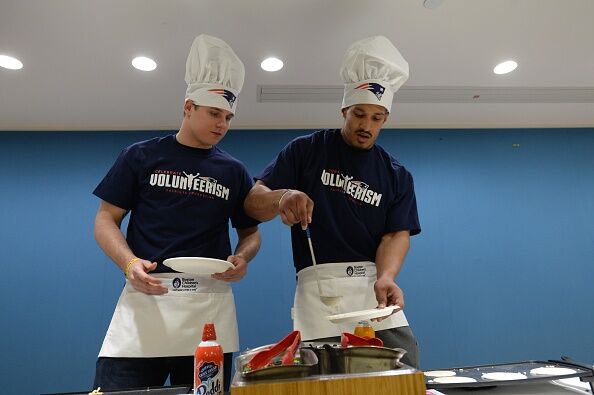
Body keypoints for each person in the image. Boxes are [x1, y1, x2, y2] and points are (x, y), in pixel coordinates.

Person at [92, 34, 260, 391]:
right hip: (147, 296)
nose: (222, 124)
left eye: (228, 116)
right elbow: (106, 219)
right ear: (188, 107)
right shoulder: (141, 155)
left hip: (208, 305)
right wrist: (128, 263)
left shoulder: (234, 171)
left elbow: (250, 233)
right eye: (214, 113)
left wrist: (243, 258)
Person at [244, 35, 421, 368]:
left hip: (373, 288)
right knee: (325, 379)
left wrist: (387, 276)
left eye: (377, 117)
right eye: (359, 114)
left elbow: (396, 235)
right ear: (344, 109)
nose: (366, 125)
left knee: (404, 367)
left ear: (386, 119)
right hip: (318, 292)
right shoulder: (305, 151)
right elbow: (253, 202)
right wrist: (283, 196)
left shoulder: (397, 174)